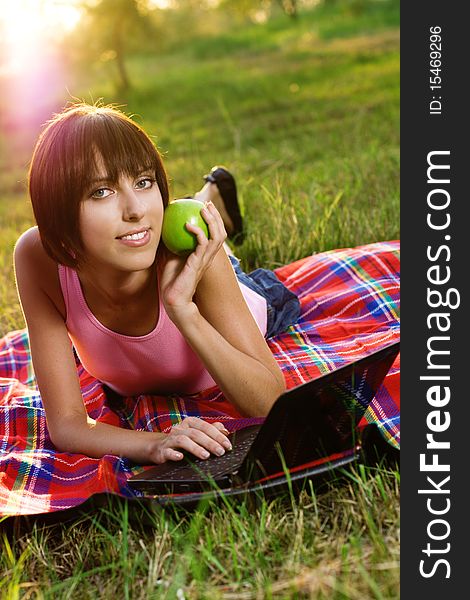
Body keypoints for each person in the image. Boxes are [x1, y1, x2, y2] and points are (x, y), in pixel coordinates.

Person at [13, 103, 300, 466]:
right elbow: (67, 424)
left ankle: (205, 204)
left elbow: (271, 404)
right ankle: (205, 198)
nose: (135, 209)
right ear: (58, 213)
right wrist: (153, 444)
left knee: (207, 241)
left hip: (239, 290)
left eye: (144, 182)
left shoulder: (194, 258)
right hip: (140, 245)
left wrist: (184, 310)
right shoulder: (38, 258)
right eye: (101, 191)